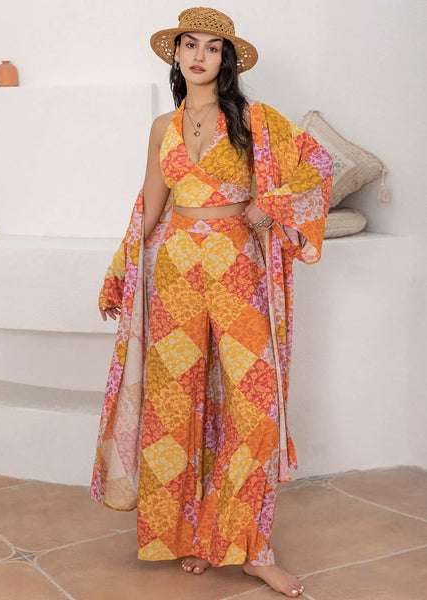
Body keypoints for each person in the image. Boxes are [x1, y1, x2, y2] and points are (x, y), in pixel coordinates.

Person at [90, 7, 333, 598]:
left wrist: (269, 205)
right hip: (174, 268)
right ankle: (193, 536)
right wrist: (121, 268)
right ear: (176, 54)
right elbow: (149, 203)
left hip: (237, 266)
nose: (200, 55)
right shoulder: (163, 126)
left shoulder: (254, 119)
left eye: (212, 47)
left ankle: (250, 547)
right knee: (172, 407)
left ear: (225, 61)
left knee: (256, 405)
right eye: (190, 45)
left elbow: (318, 166)